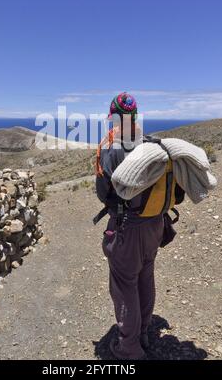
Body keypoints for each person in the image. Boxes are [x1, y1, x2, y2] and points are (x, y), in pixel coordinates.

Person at [95, 92, 164, 360]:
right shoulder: (149, 143)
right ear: (134, 116)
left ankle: (130, 349)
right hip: (155, 225)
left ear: (113, 116)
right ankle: (143, 331)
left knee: (125, 285)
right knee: (145, 276)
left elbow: (104, 193)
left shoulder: (112, 147)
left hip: (128, 227)